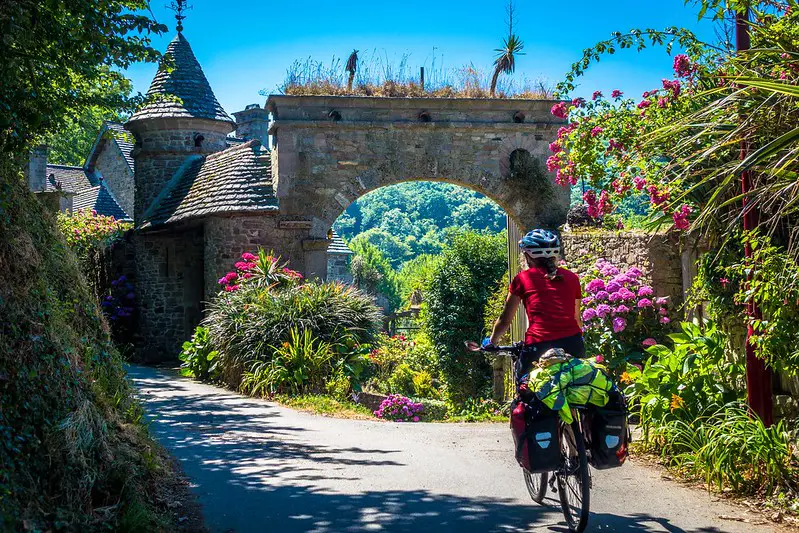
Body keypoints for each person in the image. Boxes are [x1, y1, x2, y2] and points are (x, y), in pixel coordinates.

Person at [484, 229, 584, 380]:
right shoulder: (572, 278)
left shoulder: (522, 279)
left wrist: (491, 342)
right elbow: (576, 318)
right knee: (577, 388)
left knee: (527, 391)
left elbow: (505, 320)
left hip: (539, 346)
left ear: (527, 255)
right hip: (573, 344)